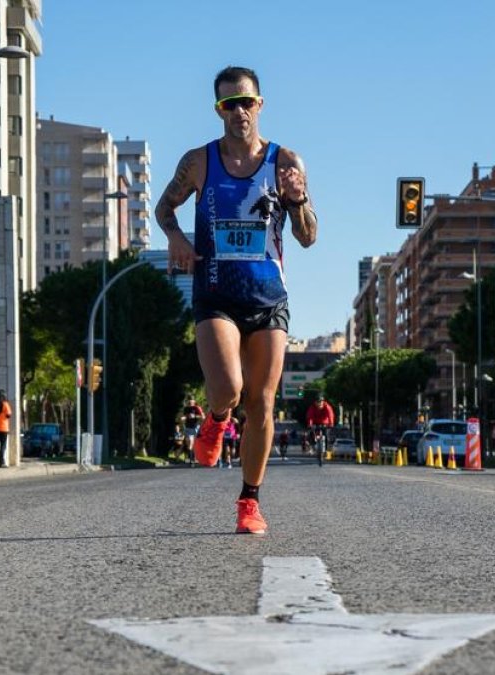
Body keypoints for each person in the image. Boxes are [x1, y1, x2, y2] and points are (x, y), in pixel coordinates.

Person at [156, 65, 317, 535]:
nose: (239, 111)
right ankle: (216, 418)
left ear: (260, 105)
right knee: (228, 388)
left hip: (269, 298)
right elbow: (165, 207)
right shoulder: (199, 162)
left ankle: (249, 500)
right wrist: (176, 239)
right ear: (218, 110)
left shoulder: (286, 161)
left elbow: (308, 237)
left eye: (246, 102)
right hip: (216, 292)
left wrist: (298, 200)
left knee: (262, 403)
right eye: (229, 104)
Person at [182, 398, 204, 463]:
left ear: (194, 402)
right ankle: (191, 458)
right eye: (189, 402)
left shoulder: (197, 408)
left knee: (194, 443)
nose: (190, 403)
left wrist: (194, 416)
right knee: (189, 443)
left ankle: (193, 458)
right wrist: (183, 418)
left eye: (191, 402)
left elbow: (203, 417)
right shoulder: (186, 409)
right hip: (188, 427)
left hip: (195, 427)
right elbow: (185, 416)